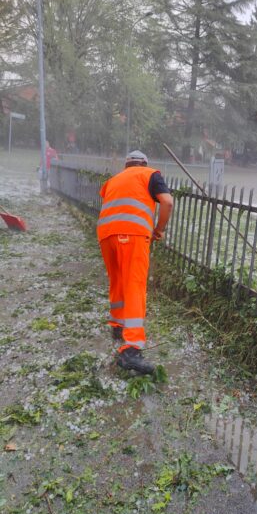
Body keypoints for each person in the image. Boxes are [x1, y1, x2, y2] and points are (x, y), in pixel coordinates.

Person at [97, 150, 173, 374]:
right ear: (144, 164)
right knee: (135, 286)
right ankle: (131, 350)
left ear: (126, 165)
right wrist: (159, 229)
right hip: (132, 235)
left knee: (118, 280)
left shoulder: (112, 181)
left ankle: (118, 326)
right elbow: (167, 202)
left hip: (105, 234)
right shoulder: (150, 175)